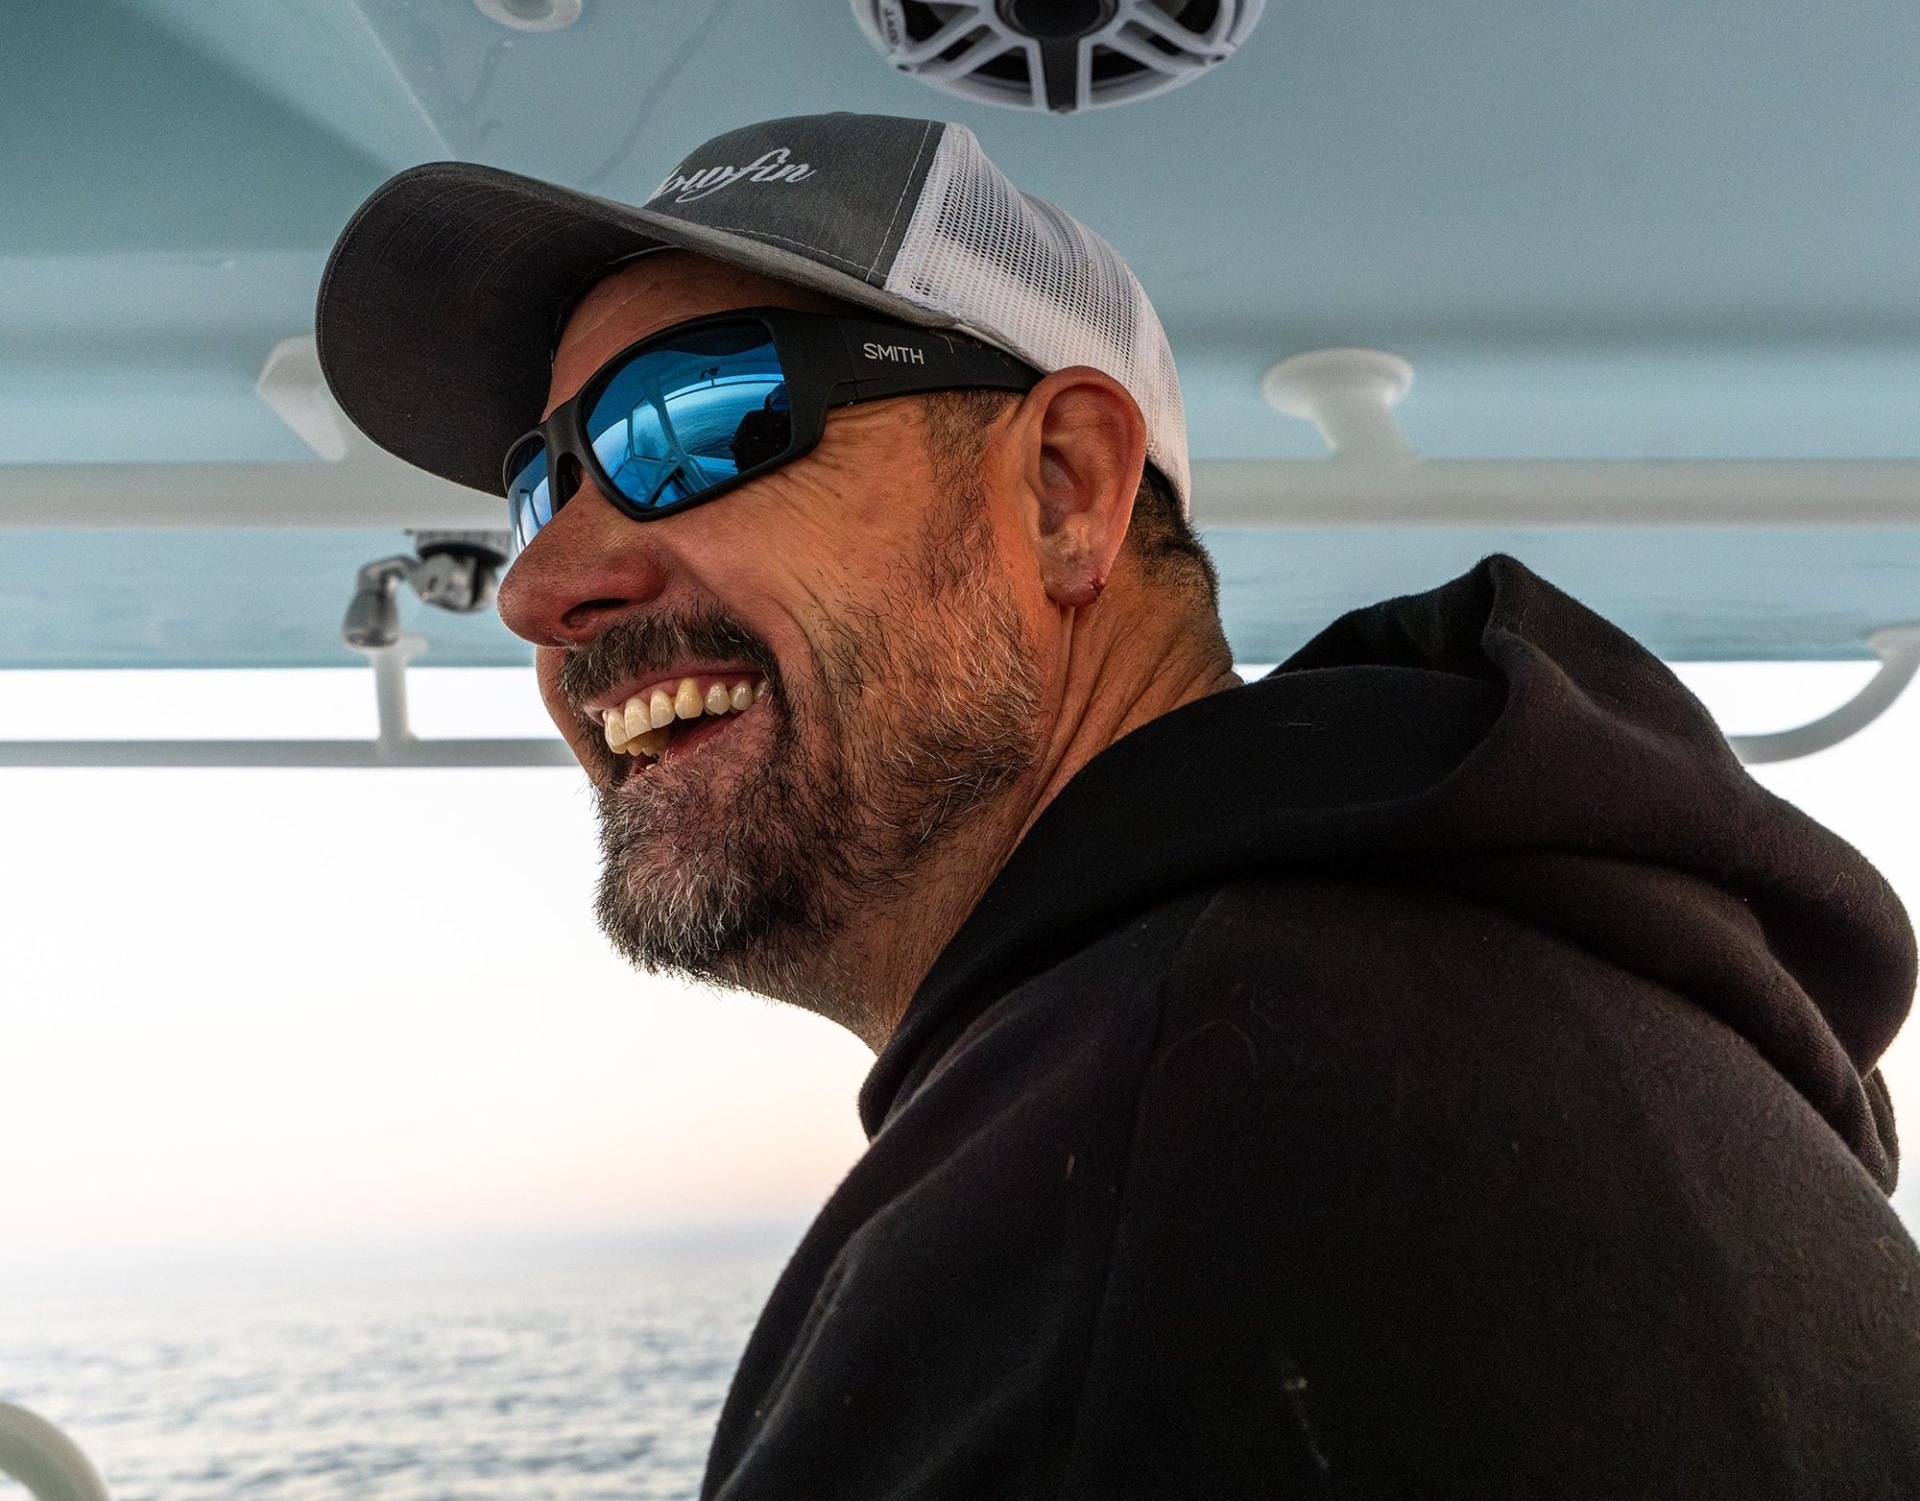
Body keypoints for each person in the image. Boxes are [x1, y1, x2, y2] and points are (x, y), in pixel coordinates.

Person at [316, 111, 1920, 1498]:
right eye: (540, 484)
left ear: (1065, 489)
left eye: (691, 425)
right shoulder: (1465, 1009)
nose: (538, 586)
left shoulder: (1188, 1132)